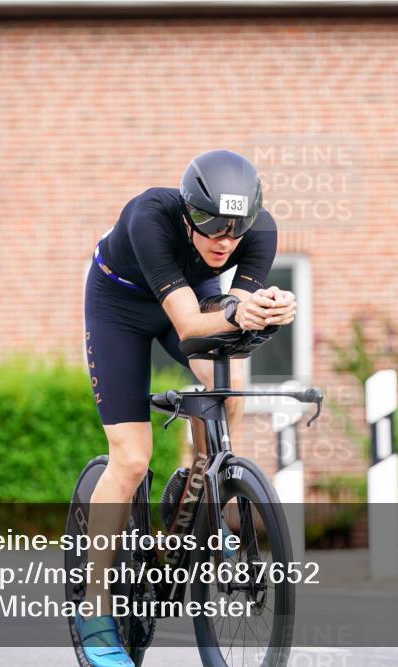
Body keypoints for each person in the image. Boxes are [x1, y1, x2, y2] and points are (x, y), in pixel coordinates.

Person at [79, 149, 297, 666]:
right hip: (121, 305)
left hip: (192, 296)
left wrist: (270, 311)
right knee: (131, 458)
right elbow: (191, 326)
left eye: (235, 229)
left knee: (230, 379)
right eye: (211, 226)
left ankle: (206, 484)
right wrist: (241, 313)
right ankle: (94, 606)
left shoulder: (260, 231)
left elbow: (230, 314)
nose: (224, 241)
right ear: (187, 211)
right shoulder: (150, 217)